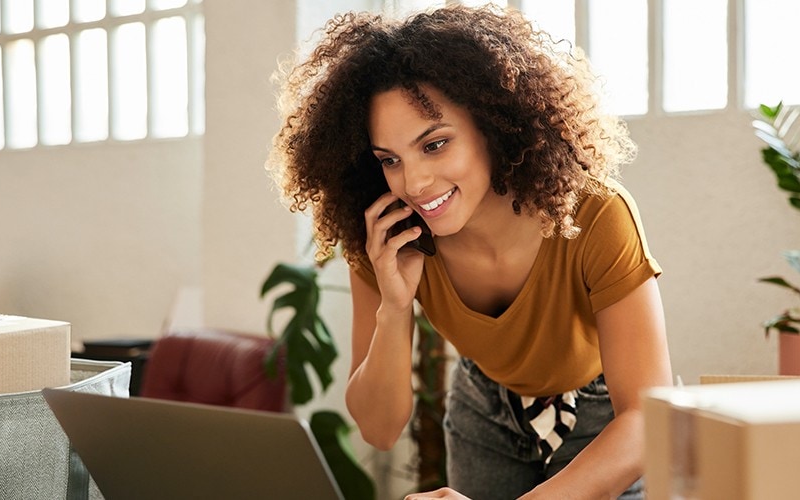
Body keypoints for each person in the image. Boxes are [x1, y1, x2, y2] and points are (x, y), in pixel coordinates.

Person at [270, 4, 672, 499]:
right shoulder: (387, 239)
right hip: (484, 406)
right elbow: (378, 430)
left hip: (606, 416)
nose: (413, 182)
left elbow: (644, 416)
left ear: (494, 125)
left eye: (435, 145)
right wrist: (395, 307)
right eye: (390, 160)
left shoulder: (594, 214)